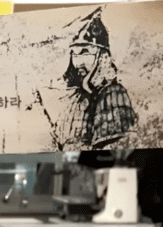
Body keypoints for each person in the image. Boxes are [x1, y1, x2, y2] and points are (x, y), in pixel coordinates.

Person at [54, 9, 136, 150]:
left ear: (101, 57)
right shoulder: (76, 97)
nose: (78, 62)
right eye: (75, 54)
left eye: (85, 52)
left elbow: (114, 147)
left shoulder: (114, 94)